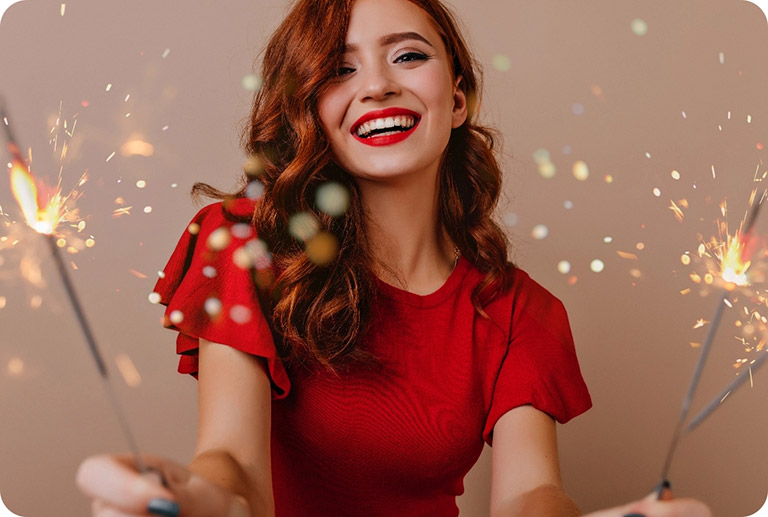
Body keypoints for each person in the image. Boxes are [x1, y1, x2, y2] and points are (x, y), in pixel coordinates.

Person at [76, 0, 712, 515]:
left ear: (458, 99)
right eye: (338, 68)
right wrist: (192, 498)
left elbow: (530, 495)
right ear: (308, 112)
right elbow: (235, 465)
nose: (378, 85)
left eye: (409, 55)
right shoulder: (245, 245)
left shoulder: (521, 310)